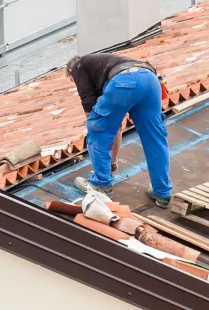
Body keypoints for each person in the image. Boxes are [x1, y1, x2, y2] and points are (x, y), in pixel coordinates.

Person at [66, 52, 173, 208]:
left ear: (70, 72)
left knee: (96, 131)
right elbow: (117, 127)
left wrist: (95, 124)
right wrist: (113, 162)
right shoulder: (103, 64)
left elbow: (90, 108)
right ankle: (162, 192)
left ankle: (101, 186)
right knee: (154, 138)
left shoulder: (77, 66)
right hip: (150, 79)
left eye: (73, 82)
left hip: (125, 81)